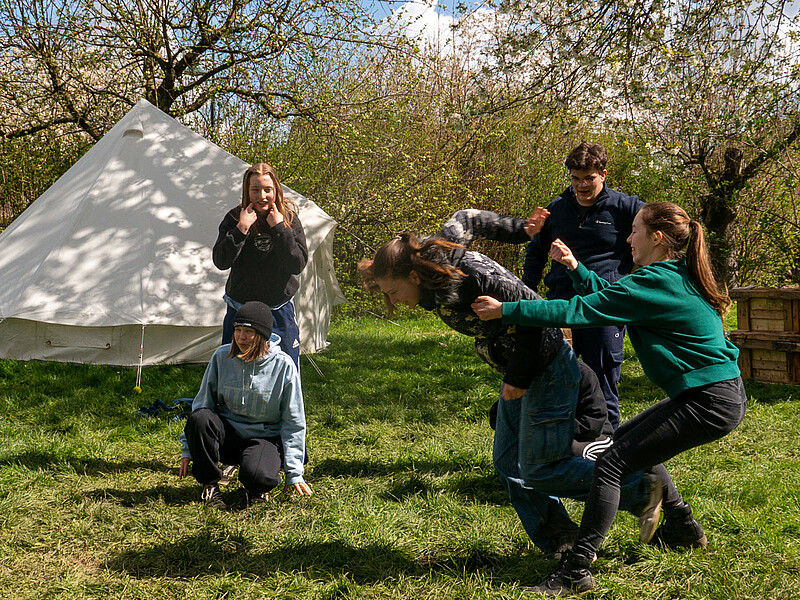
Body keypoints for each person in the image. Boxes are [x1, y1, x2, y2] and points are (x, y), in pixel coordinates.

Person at [472, 202, 746, 595]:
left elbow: (583, 310)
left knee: (610, 464)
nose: (627, 237)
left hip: (709, 400)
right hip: (713, 395)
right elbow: (610, 302)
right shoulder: (667, 276)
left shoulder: (656, 281)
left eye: (634, 230)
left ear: (657, 237)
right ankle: (684, 528)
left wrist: (508, 310)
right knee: (623, 446)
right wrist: (574, 267)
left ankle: (576, 570)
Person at [359, 209, 663, 556]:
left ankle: (639, 489)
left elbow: (530, 309)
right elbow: (468, 219)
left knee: (540, 469)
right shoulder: (435, 255)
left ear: (413, 275)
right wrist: (521, 229)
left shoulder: (465, 279)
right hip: (521, 371)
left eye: (393, 291)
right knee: (508, 463)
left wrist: (518, 379)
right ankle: (561, 540)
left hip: (546, 365)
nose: (392, 301)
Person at [523, 142, 644, 428]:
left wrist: (637, 284)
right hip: (561, 307)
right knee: (554, 380)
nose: (581, 185)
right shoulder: (557, 209)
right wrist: (527, 295)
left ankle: (608, 450)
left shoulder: (627, 208)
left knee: (602, 385)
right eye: (575, 179)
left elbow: (657, 238)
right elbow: (535, 255)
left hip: (603, 307)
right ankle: (559, 450)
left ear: (603, 174)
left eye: (588, 178)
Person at [179, 301, 311, 508]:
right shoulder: (222, 356)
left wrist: (294, 472)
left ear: (262, 335)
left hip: (264, 437)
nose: (241, 337)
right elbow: (202, 404)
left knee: (260, 478)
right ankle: (210, 485)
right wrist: (188, 449)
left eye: (248, 332)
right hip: (228, 436)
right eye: (237, 330)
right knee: (200, 418)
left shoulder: (283, 365)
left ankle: (255, 484)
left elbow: (293, 421)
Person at [213, 163, 308, 370]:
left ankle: (284, 403)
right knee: (234, 369)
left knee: (285, 367)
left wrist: (280, 229)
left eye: (268, 190)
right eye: (255, 190)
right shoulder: (234, 218)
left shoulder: (289, 219)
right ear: (247, 191)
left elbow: (297, 264)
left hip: (278, 308)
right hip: (241, 309)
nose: (262, 196)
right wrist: (241, 229)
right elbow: (220, 261)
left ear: (276, 190)